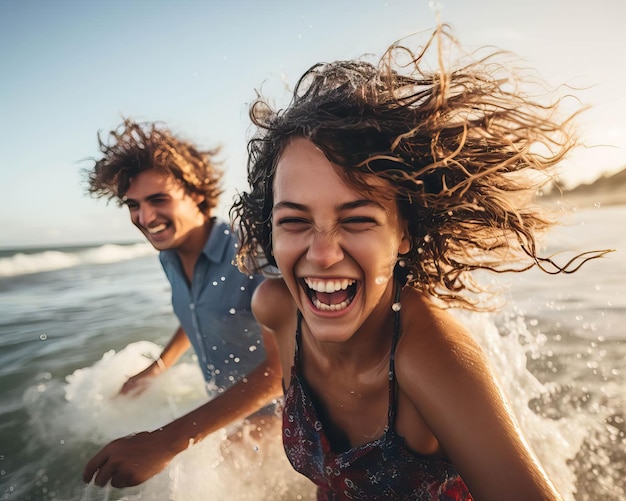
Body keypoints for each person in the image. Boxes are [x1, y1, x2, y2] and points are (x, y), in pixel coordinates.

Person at [230, 26, 610, 500]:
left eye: (358, 219)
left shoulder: (429, 361)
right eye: (294, 221)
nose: (323, 254)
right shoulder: (276, 308)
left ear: (405, 232)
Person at [81, 118, 283, 488]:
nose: (144, 217)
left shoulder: (251, 253)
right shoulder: (168, 255)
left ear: (197, 194)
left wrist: (165, 441)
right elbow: (197, 313)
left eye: (158, 199)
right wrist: (157, 367)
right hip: (221, 413)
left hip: (281, 420)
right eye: (133, 205)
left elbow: (283, 370)